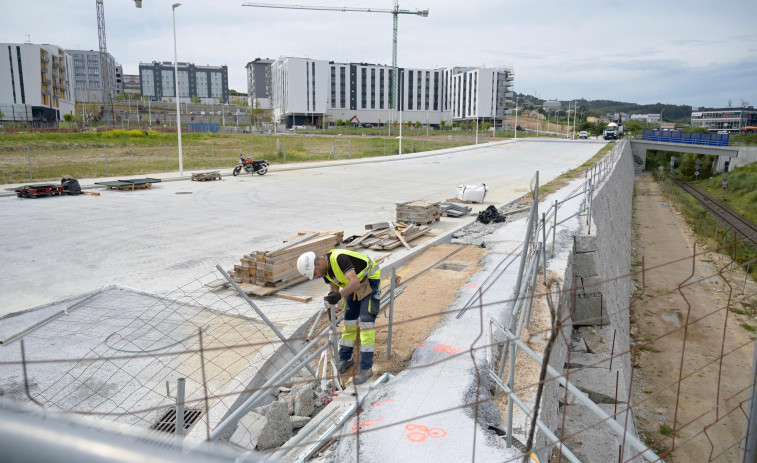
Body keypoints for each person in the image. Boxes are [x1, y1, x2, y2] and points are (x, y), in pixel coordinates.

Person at [297, 249, 381, 385]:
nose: (316, 277)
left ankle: (366, 367)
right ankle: (346, 358)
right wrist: (331, 309)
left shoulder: (339, 259)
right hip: (353, 285)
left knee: (366, 323)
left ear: (318, 264)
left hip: (368, 281)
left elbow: (355, 282)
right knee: (349, 322)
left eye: (314, 274)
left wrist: (340, 296)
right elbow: (334, 288)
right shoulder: (325, 271)